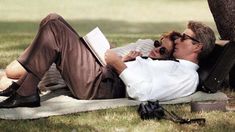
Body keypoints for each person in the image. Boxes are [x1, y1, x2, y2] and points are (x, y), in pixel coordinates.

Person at [0, 13, 215, 108]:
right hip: (105, 74)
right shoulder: (176, 67)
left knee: (55, 27)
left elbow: (143, 92)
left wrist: (117, 64)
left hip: (103, 85)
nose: (179, 40)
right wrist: (131, 61)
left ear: (198, 46)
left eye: (185, 37)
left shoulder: (186, 76)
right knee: (52, 20)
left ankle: (26, 92)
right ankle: (23, 86)